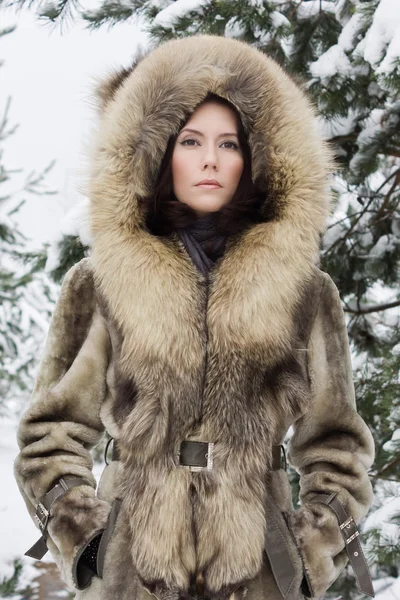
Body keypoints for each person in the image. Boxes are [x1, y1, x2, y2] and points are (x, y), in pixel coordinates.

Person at [14, 34, 375, 600]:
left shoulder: (306, 292)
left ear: (258, 157)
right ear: (156, 151)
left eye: (230, 142)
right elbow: (49, 435)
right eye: (190, 140)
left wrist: (308, 552)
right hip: (129, 573)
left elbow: (338, 447)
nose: (210, 158)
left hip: (261, 574)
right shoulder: (101, 283)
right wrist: (88, 540)